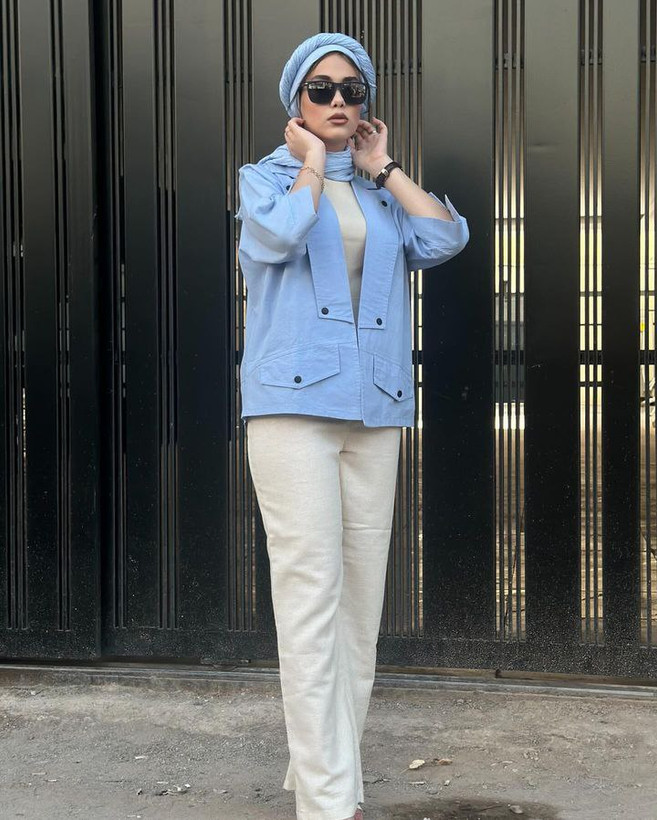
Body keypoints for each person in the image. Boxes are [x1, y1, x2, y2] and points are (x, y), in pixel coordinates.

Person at [235, 31, 469, 820]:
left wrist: (384, 167)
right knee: (311, 600)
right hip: (292, 412)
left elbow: (444, 237)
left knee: (359, 608)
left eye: (352, 90)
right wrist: (310, 163)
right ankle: (331, 804)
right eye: (321, 89)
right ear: (295, 102)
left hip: (374, 409)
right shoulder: (266, 180)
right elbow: (275, 238)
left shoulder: (377, 193)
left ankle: (321, 775)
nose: (338, 101)